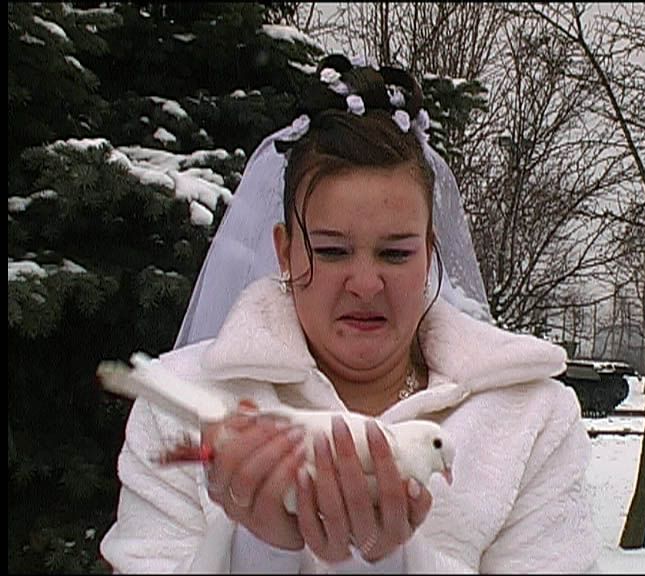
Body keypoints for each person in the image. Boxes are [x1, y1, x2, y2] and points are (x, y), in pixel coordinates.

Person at [100, 54, 600, 573]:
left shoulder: (528, 418)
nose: (365, 284)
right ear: (286, 252)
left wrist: (396, 563)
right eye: (332, 251)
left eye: (395, 253)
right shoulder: (178, 403)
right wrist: (257, 553)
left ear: (429, 254)